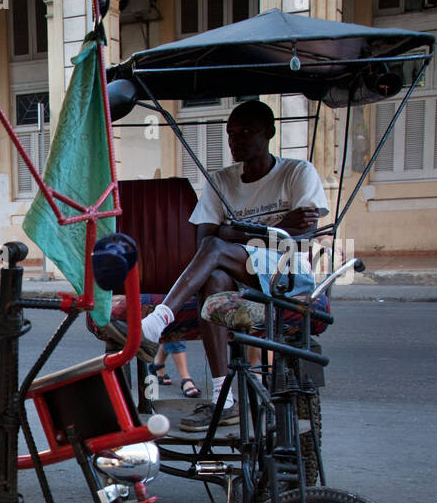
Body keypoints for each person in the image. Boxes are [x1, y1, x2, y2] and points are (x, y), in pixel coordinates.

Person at [131, 100, 328, 432]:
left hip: (286, 272)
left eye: (246, 132)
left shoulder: (297, 172)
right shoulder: (221, 180)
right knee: (216, 275)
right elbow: (206, 237)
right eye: (231, 133)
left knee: (217, 252)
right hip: (239, 272)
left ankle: (158, 321)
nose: (236, 140)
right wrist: (276, 227)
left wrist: (232, 232)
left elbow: (303, 234)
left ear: (270, 132)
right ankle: (224, 399)